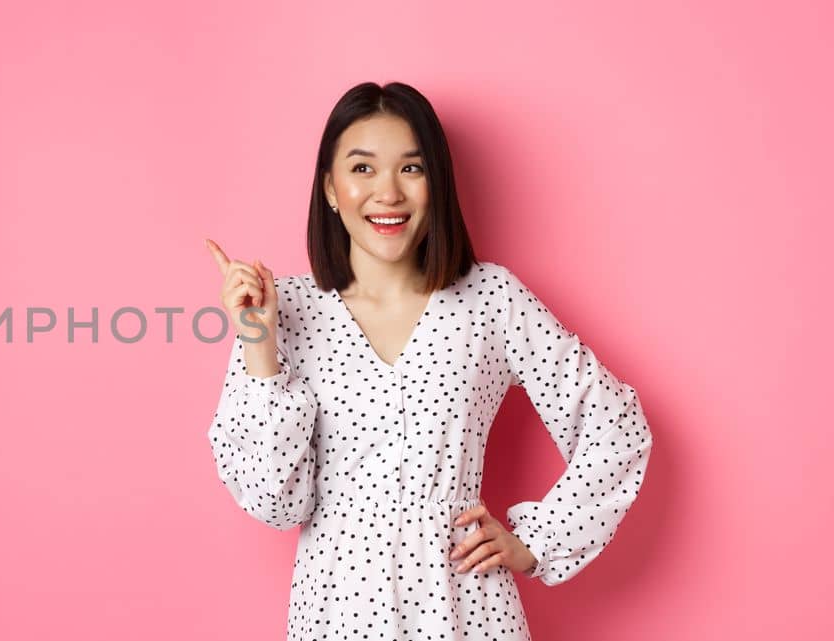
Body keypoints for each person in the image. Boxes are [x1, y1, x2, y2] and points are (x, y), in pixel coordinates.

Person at [203, 81, 653, 640]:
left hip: (467, 610)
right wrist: (259, 342)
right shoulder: (281, 309)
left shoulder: (492, 299)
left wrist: (540, 541)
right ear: (330, 189)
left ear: (436, 185)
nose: (387, 193)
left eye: (411, 169)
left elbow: (616, 427)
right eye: (363, 169)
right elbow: (276, 502)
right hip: (337, 612)